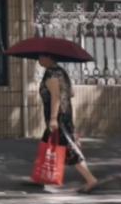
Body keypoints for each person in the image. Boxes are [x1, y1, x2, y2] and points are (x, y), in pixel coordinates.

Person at [39, 54, 99, 193]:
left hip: (58, 117)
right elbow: (71, 93)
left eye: (41, 57)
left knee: (69, 149)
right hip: (66, 114)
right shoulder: (61, 72)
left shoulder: (51, 74)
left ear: (49, 58)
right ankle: (41, 178)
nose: (39, 60)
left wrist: (53, 118)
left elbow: (56, 97)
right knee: (46, 143)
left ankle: (90, 179)